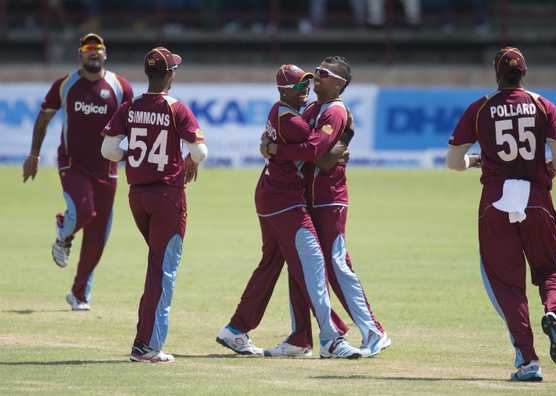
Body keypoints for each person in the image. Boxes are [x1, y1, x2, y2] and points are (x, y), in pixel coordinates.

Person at [446, 47, 556, 381]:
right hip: (536, 199)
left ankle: (528, 362)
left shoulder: (481, 108)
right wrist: (545, 172)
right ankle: (554, 310)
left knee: (506, 284)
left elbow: (453, 163)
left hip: (495, 204)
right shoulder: (542, 104)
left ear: (496, 73)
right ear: (524, 72)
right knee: (551, 266)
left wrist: (475, 160)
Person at [216, 64, 362, 359]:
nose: (306, 89)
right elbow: (315, 152)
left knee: (270, 266)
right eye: (300, 86)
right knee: (314, 266)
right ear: (284, 90)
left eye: (308, 83)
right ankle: (331, 339)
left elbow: (270, 143)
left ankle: (236, 330)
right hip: (286, 202)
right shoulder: (293, 121)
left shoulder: (280, 111)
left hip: (270, 197)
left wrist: (271, 148)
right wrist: (344, 138)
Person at [263, 56, 390, 358]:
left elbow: (319, 155)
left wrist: (276, 150)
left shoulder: (335, 110)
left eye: (323, 74)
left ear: (339, 83)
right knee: (303, 267)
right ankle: (299, 337)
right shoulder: (310, 108)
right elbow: (300, 145)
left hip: (329, 197)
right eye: (315, 72)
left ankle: (374, 331)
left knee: (336, 265)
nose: (315, 77)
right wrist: (272, 144)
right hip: (307, 197)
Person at [101, 47, 208, 363]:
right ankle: (147, 346)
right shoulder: (176, 108)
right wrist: (189, 161)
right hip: (167, 196)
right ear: (170, 74)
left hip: (138, 196)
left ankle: (144, 342)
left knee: (157, 267)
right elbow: (200, 152)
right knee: (163, 272)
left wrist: (133, 155)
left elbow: (108, 149)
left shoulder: (130, 107)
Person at [22, 33, 133, 311]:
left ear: (105, 54)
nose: (93, 52)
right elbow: (43, 119)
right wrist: (34, 154)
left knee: (98, 237)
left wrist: (133, 159)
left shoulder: (120, 87)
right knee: (83, 213)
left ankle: (79, 294)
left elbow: (133, 127)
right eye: (88, 48)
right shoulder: (66, 85)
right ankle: (64, 233)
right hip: (73, 164)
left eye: (98, 48)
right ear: (80, 54)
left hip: (107, 169)